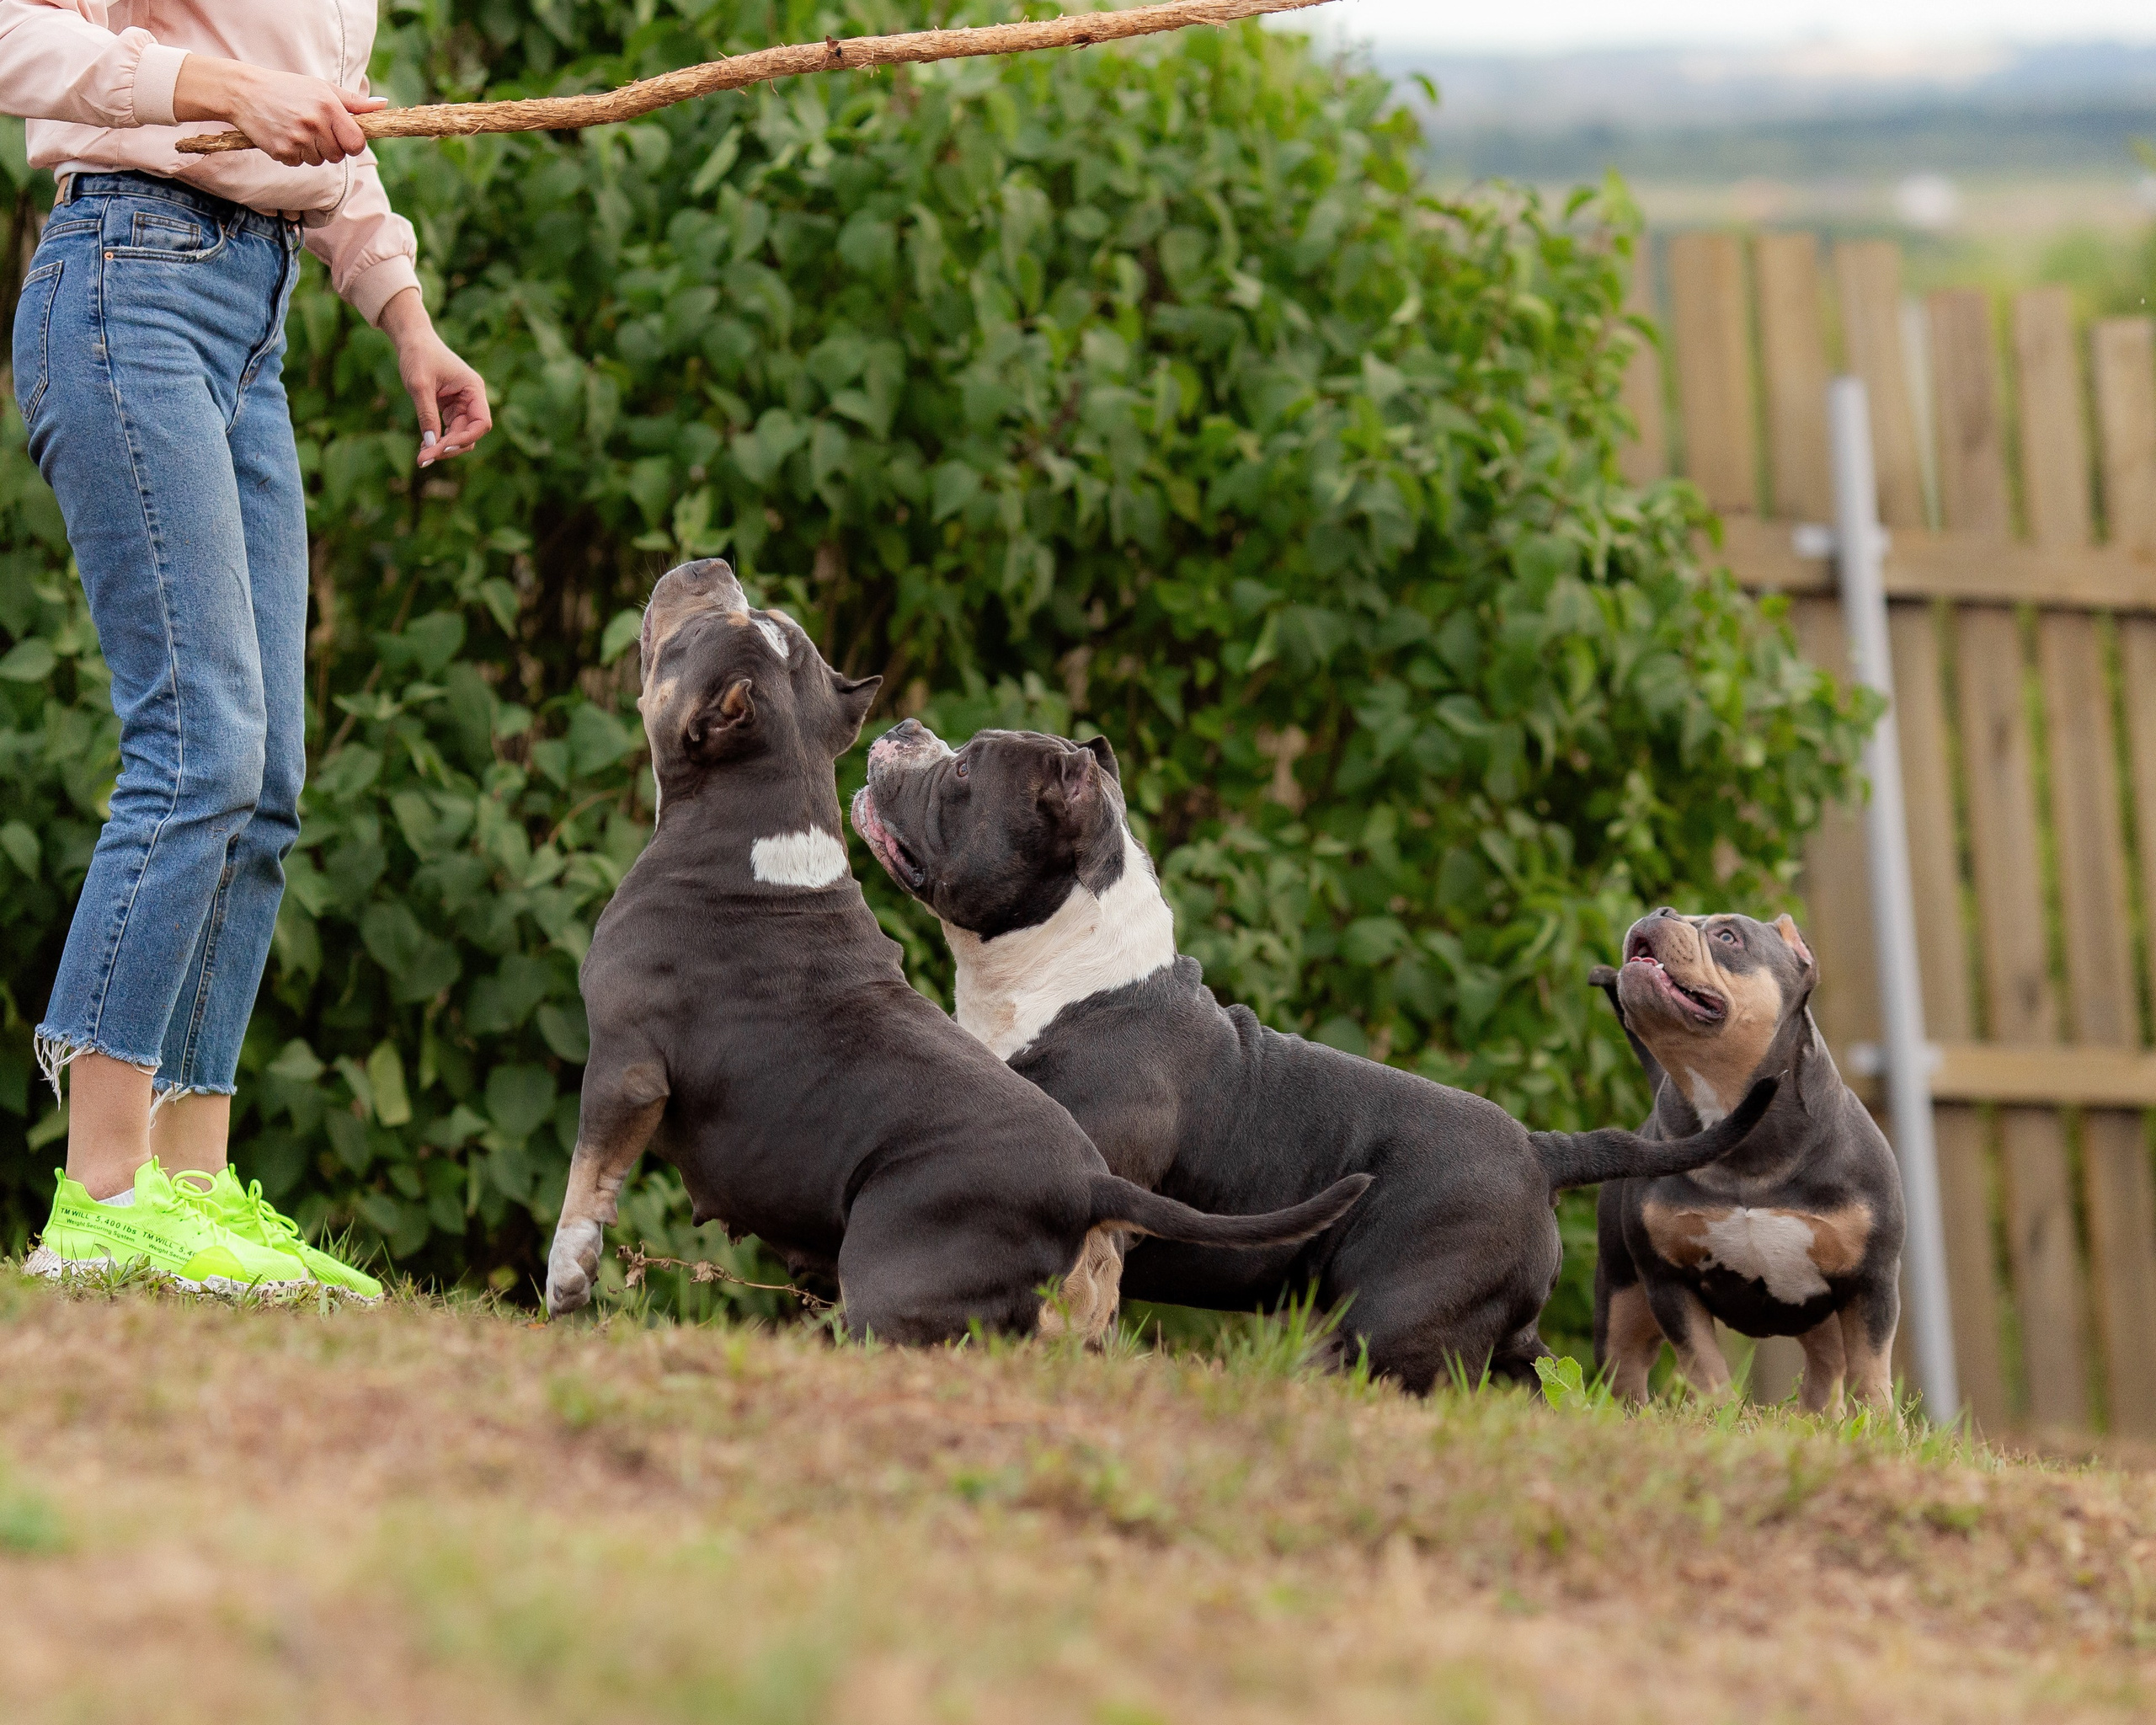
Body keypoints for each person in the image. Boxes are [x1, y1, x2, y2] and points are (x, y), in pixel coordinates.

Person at [1, 0, 491, 1295]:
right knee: (197, 746)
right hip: (126, 284)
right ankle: (100, 1200)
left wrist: (405, 317)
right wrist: (215, 87)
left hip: (249, 319)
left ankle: (192, 1189)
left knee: (265, 784)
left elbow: (326, 132)